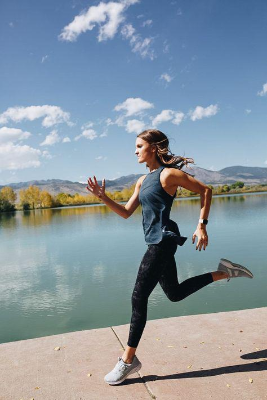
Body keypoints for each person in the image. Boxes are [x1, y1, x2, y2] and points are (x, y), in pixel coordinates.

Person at [86, 129, 253, 386]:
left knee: (138, 297)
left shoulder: (169, 175)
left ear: (153, 147)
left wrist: (202, 225)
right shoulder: (143, 180)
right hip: (156, 241)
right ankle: (224, 271)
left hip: (163, 242)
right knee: (174, 293)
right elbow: (126, 212)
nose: (135, 150)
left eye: (139, 145)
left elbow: (205, 191)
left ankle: (128, 360)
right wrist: (104, 197)